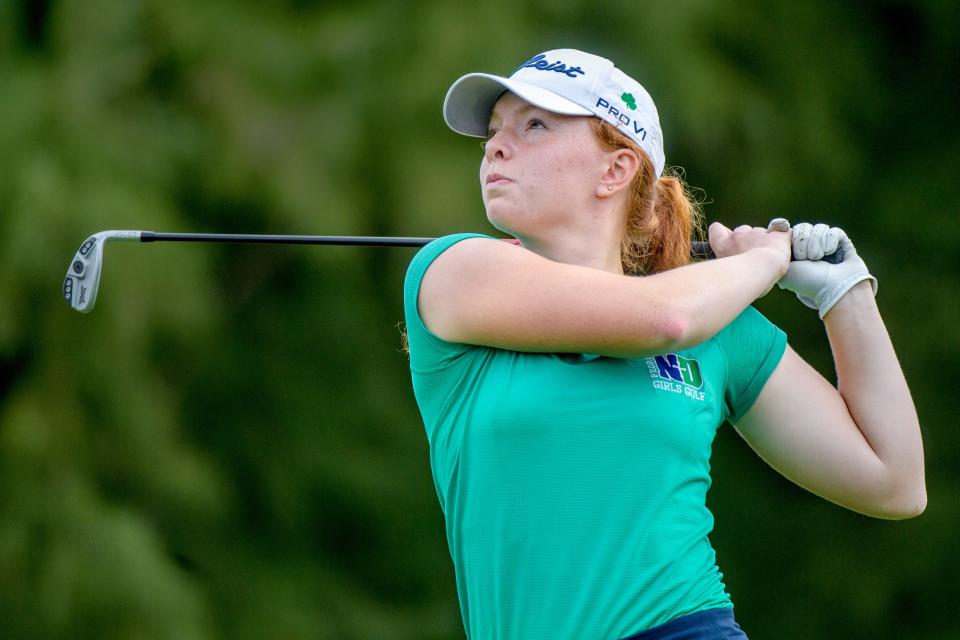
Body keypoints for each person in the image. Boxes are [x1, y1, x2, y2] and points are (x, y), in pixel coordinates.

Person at [402, 48, 925, 640]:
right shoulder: (453, 272)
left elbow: (893, 481)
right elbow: (665, 320)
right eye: (493, 132)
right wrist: (765, 261)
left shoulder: (719, 323)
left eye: (535, 125)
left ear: (615, 170)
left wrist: (845, 296)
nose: (496, 146)